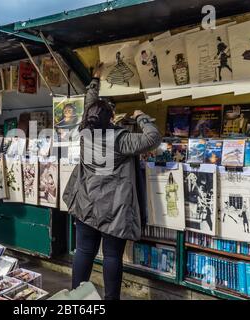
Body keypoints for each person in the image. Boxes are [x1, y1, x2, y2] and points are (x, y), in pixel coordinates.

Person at [63, 63, 162, 300]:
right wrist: (141, 117)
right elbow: (153, 138)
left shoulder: (85, 134)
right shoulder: (121, 140)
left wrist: (95, 79)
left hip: (86, 204)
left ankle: (78, 298)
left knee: (84, 251)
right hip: (114, 210)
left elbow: (89, 106)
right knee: (112, 256)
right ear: (110, 119)